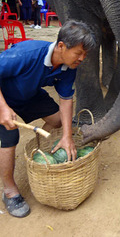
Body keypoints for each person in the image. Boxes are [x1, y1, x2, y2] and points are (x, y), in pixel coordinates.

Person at [0, 20, 96, 218]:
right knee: (9, 137)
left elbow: (66, 99)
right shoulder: (26, 53)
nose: (82, 58)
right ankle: (9, 191)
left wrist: (67, 137)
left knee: (59, 120)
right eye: (79, 53)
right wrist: (3, 108)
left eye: (85, 54)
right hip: (4, 97)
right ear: (61, 46)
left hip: (30, 94)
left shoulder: (69, 67)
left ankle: (40, 151)